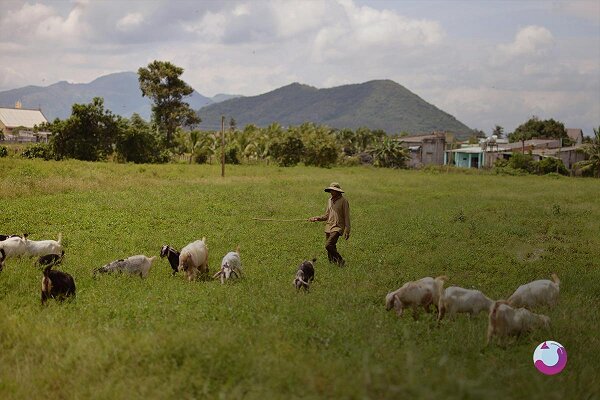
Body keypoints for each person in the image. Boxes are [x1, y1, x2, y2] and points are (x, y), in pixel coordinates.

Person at [308, 182, 351, 266]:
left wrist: (347, 230)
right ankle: (332, 265)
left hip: (338, 227)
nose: (331, 192)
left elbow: (347, 216)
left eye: (333, 190)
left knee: (328, 245)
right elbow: (326, 215)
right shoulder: (329, 201)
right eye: (330, 190)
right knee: (331, 247)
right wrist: (316, 218)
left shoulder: (344, 201)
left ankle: (341, 261)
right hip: (329, 226)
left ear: (338, 191)